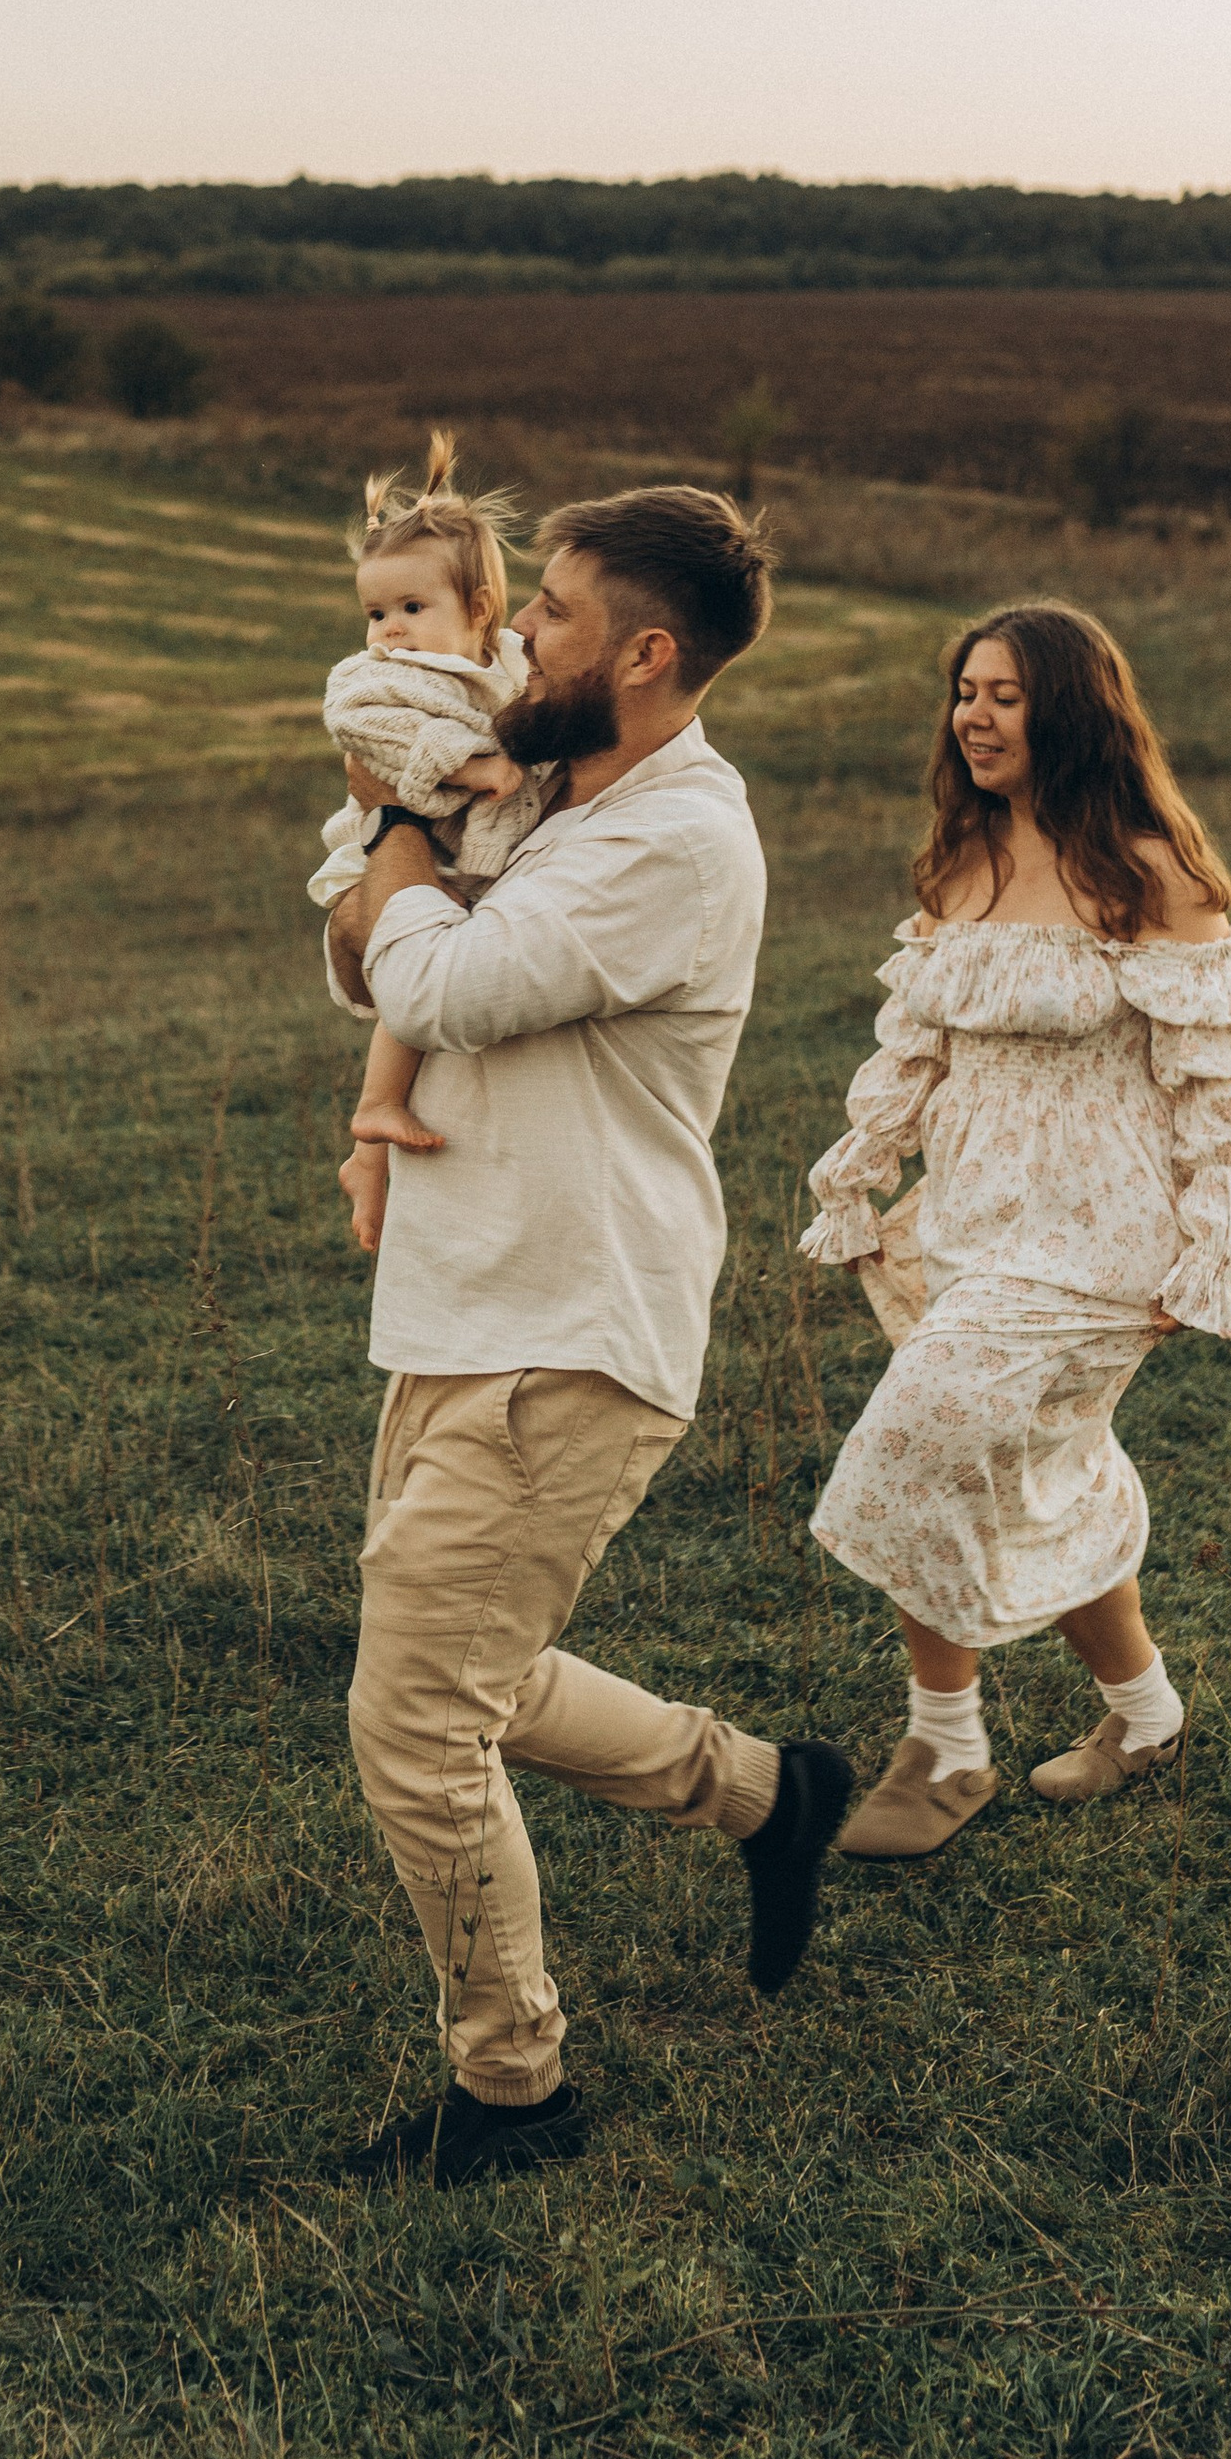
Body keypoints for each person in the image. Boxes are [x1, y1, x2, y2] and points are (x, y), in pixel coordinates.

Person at [322, 486, 853, 2188]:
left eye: (543, 613)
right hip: (463, 1298)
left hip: (576, 1319)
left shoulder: (678, 837)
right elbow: (363, 961)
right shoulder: (543, 786)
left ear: (644, 651)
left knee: (416, 1719)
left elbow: (446, 991)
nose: (505, 636)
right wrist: (402, 842)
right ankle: (768, 1793)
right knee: (462, 1671)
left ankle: (515, 2091)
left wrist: (399, 833)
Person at [798, 601, 1231, 1860]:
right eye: (964, 691)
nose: (973, 714)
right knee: (1023, 1470)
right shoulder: (957, 866)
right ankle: (1145, 1714)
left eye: (1004, 694)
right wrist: (862, 1174)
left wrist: (1210, 1239)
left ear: (1069, 708)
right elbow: (912, 1050)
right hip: (966, 1222)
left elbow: (1213, 1088)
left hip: (1105, 1235)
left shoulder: (1147, 870)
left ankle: (942, 1747)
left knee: (921, 1437)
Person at [307, 432, 551, 1257]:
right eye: (376, 613)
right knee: (417, 957)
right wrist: (470, 762)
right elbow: (359, 727)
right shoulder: (380, 678)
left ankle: (368, 1154)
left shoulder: (508, 664)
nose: (389, 631)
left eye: (412, 610)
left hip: (456, 850)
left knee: (438, 969)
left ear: (479, 611)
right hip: (384, 848)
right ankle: (375, 1112)